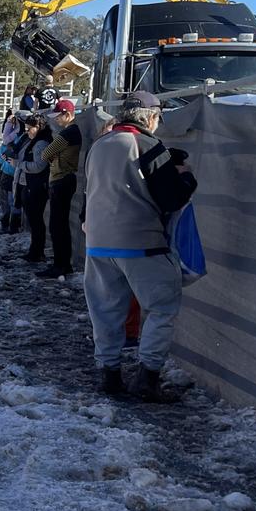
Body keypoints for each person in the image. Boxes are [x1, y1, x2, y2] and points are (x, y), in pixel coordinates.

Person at [83, 91, 196, 402]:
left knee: (106, 313)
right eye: (159, 117)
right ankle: (147, 377)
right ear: (150, 117)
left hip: (97, 243)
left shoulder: (99, 145)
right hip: (140, 243)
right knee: (161, 307)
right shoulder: (147, 144)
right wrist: (185, 177)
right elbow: (172, 197)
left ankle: (109, 375)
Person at [37, 99, 81, 277]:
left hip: (61, 179)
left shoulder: (68, 133)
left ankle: (60, 265)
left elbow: (45, 153)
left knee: (58, 225)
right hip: (65, 179)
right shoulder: (72, 132)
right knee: (60, 224)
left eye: (58, 116)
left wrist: (53, 158)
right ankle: (63, 263)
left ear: (68, 115)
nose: (56, 120)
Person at [14, 114, 51, 259]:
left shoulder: (41, 143)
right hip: (29, 184)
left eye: (30, 128)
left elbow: (39, 166)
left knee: (36, 220)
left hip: (36, 186)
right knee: (33, 220)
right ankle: (34, 250)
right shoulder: (33, 141)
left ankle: (37, 251)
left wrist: (20, 165)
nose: (27, 131)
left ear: (38, 127)